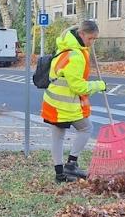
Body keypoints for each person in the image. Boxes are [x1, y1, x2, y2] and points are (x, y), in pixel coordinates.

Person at [40, 20, 106, 183]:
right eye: (90, 38)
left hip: (52, 101)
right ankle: (71, 164)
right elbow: (78, 87)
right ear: (81, 34)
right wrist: (99, 85)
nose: (92, 43)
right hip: (65, 104)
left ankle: (60, 174)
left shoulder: (66, 47)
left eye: (95, 39)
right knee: (86, 128)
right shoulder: (76, 55)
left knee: (58, 137)